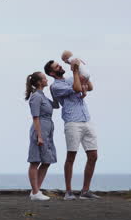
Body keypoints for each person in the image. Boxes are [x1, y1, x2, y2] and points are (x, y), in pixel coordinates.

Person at [44, 59, 100, 200]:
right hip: (72, 122)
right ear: (52, 73)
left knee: (93, 156)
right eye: (57, 66)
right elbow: (76, 88)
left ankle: (85, 191)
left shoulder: (70, 78)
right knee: (71, 157)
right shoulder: (55, 86)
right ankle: (68, 192)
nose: (60, 66)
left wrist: (80, 66)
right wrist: (75, 72)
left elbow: (90, 85)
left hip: (86, 119)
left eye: (59, 64)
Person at [25, 71, 59, 201]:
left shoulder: (43, 96)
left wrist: (53, 92)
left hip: (48, 131)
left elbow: (55, 105)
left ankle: (35, 191)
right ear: (39, 82)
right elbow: (35, 117)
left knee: (47, 160)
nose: (46, 79)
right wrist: (39, 136)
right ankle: (35, 191)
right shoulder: (36, 97)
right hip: (39, 130)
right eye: (44, 78)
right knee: (35, 161)